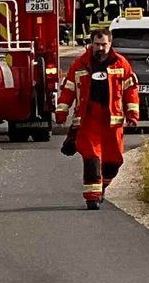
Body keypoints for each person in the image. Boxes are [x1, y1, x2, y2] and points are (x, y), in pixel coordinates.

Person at [56, 27, 140, 209]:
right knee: (92, 157)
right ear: (91, 44)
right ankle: (92, 197)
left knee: (114, 161)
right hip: (88, 119)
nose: (100, 48)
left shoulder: (121, 64)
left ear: (110, 44)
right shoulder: (80, 64)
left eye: (104, 45)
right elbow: (68, 89)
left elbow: (130, 90)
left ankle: (101, 186)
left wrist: (133, 114)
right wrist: (61, 112)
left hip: (113, 122)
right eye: (97, 44)